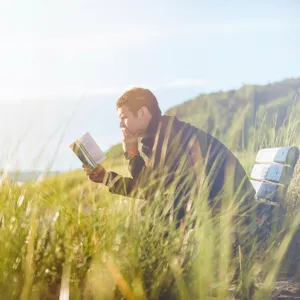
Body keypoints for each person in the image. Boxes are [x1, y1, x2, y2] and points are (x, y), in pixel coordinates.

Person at [83, 87, 257, 230]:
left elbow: (149, 189)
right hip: (222, 205)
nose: (121, 125)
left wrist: (132, 154)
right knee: (151, 210)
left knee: (153, 212)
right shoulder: (160, 133)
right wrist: (106, 178)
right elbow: (152, 187)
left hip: (233, 212)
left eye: (124, 118)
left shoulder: (168, 137)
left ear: (142, 112)